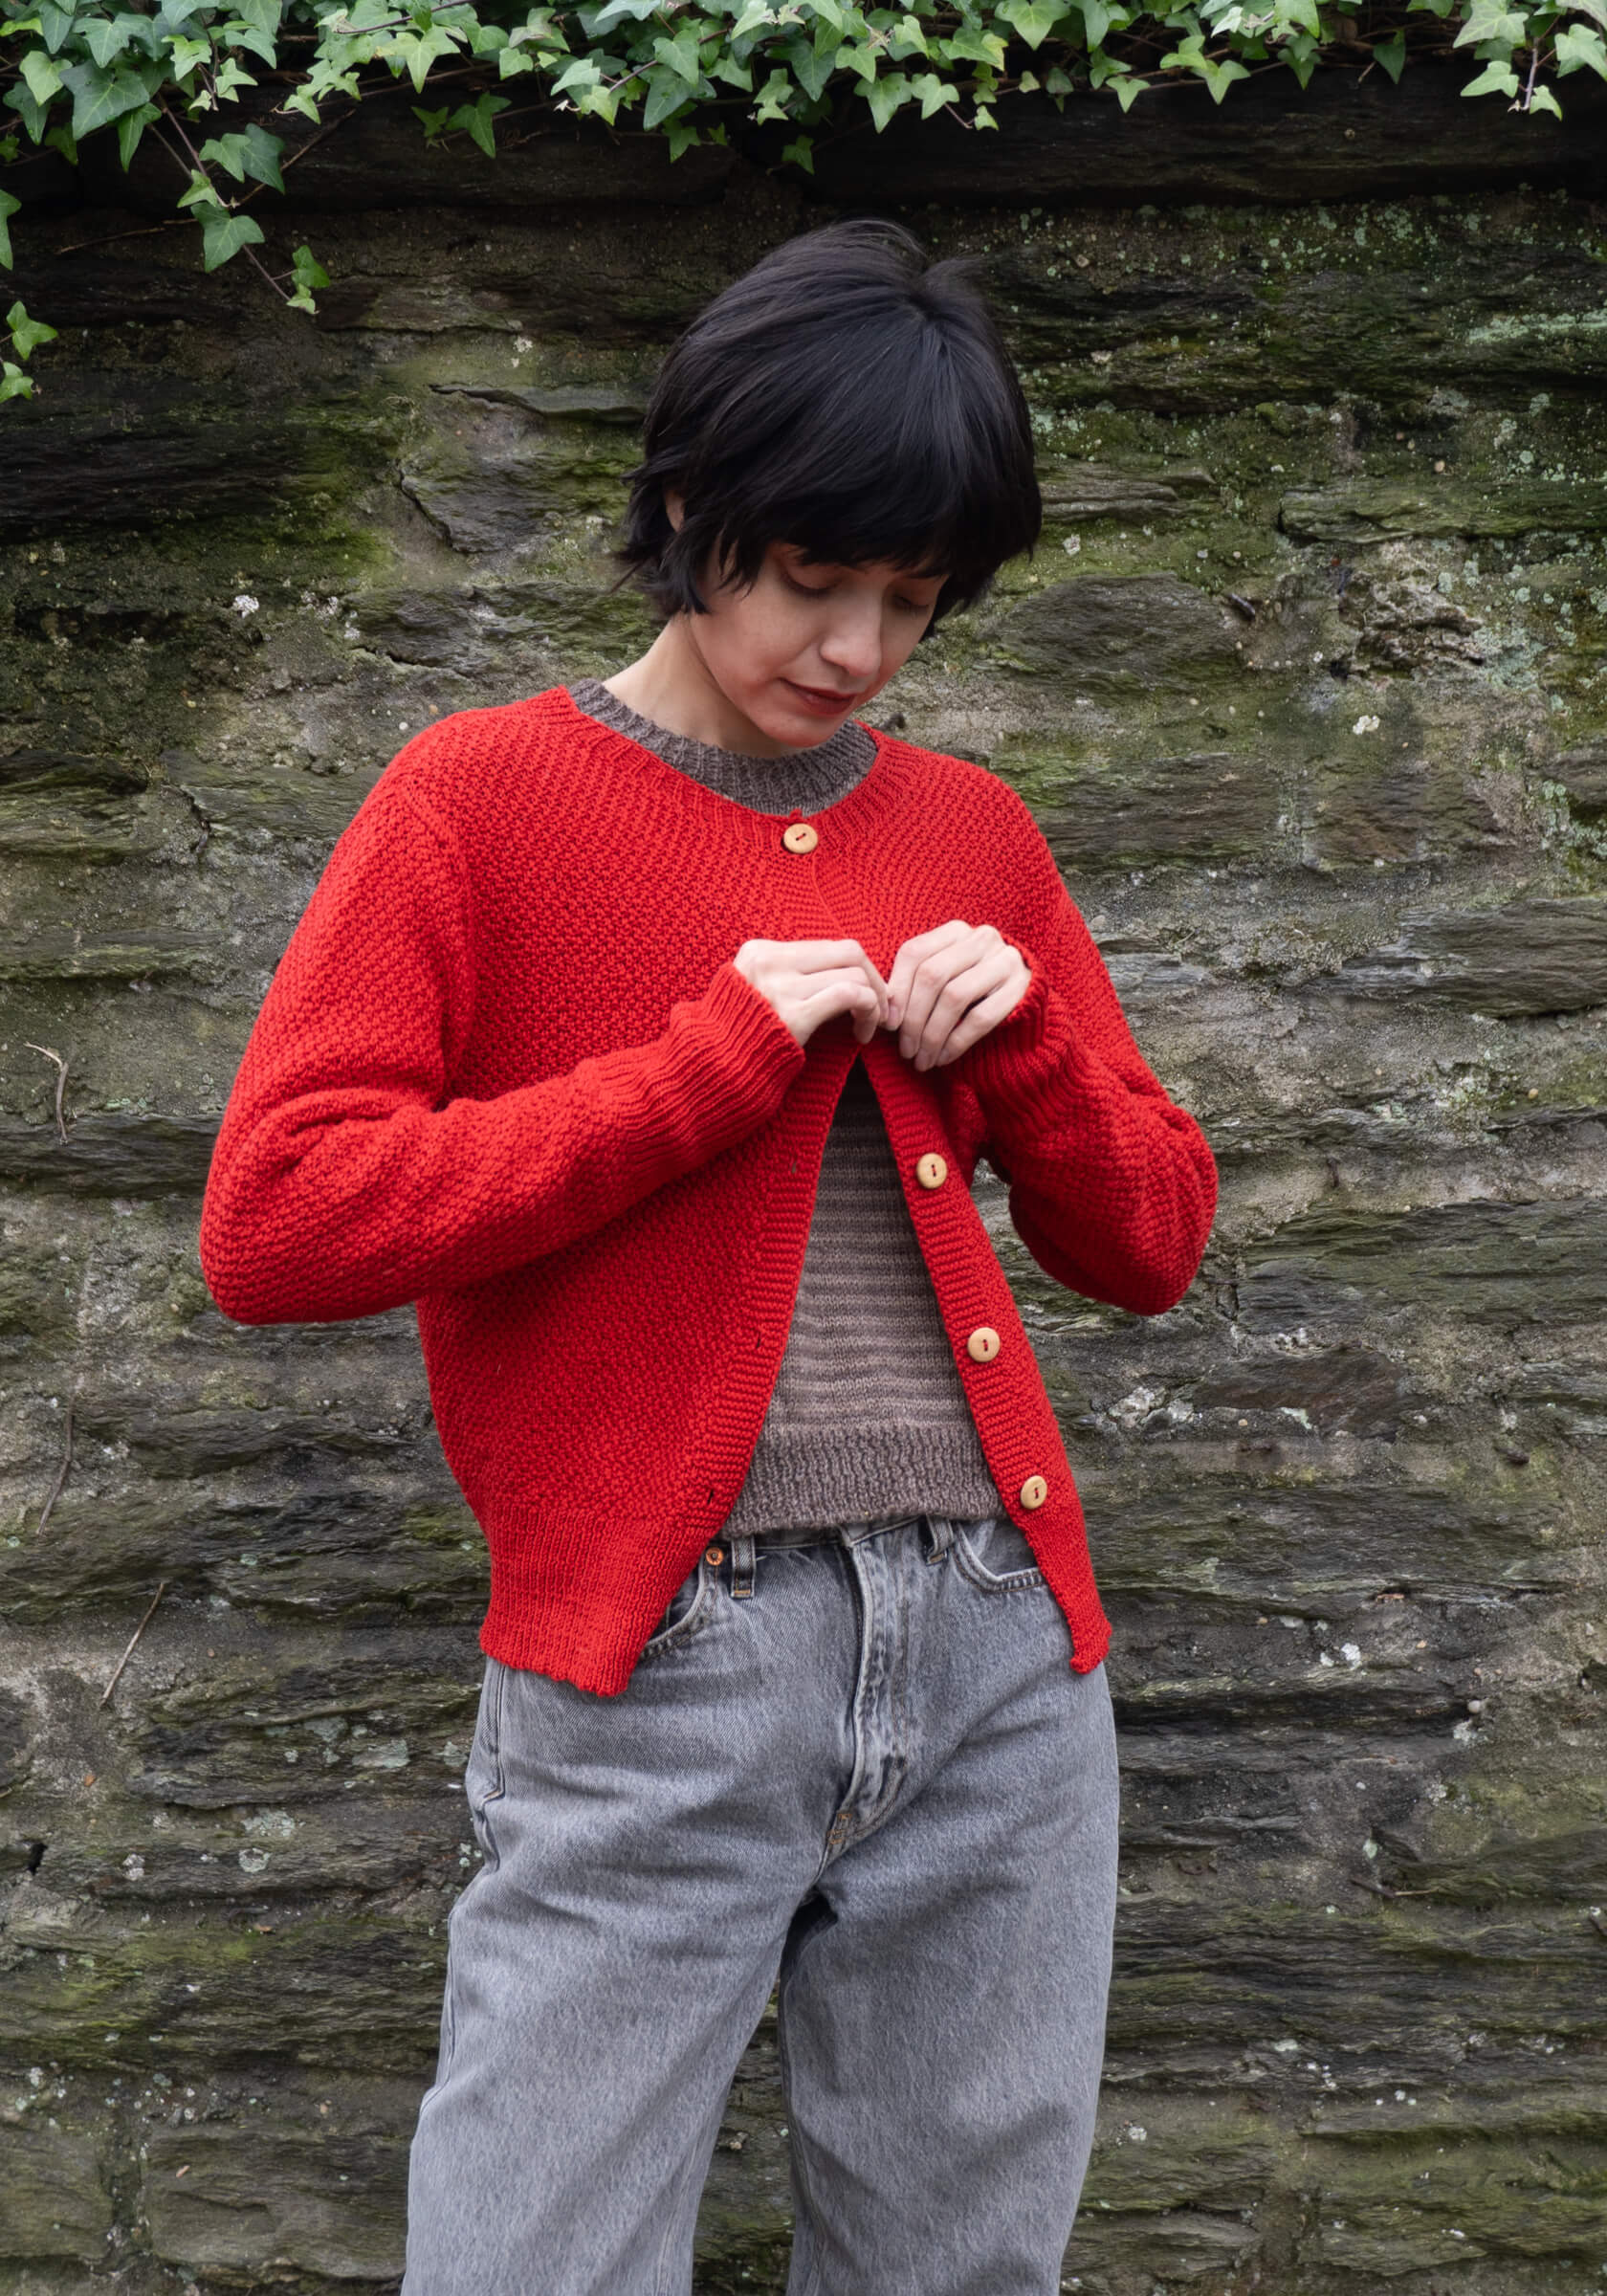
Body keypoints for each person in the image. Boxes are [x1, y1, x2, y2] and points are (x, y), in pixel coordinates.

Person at [199, 217, 1218, 2296]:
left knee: (959, 2271)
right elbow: (279, 1218)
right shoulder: (474, 801)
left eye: (909, 603)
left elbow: (1151, 1240)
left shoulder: (975, 834)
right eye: (809, 577)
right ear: (689, 509)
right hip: (662, 1656)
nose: (851, 646)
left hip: (1004, 1652)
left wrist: (1021, 1050)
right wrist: (711, 1063)